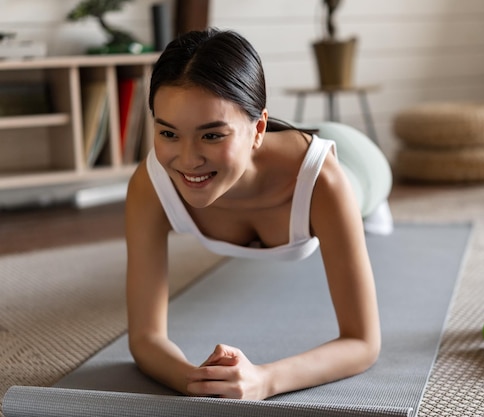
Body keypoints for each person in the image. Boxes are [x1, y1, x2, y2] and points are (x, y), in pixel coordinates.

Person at [125, 28, 393, 400]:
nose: (187, 159)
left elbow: (363, 342)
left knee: (370, 203)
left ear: (258, 128)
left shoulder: (323, 182)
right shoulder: (151, 181)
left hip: (356, 162)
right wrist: (196, 379)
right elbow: (144, 338)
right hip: (275, 151)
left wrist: (264, 380)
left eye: (212, 135)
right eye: (168, 133)